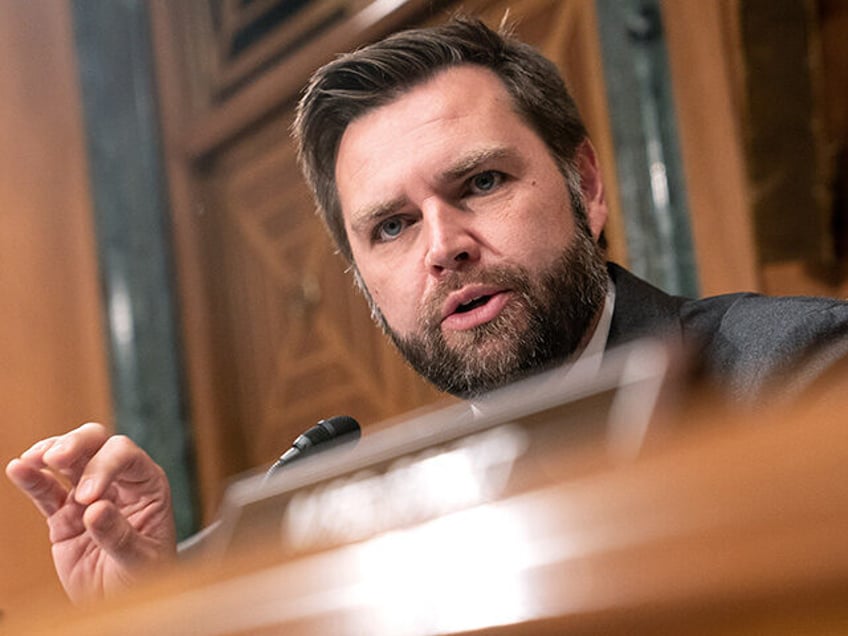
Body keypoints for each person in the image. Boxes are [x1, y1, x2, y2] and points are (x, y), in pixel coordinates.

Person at [7, 16, 848, 604]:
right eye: (392, 226)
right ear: (363, 279)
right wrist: (162, 605)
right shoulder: (380, 514)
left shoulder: (797, 371)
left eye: (481, 183)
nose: (442, 245)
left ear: (585, 186)